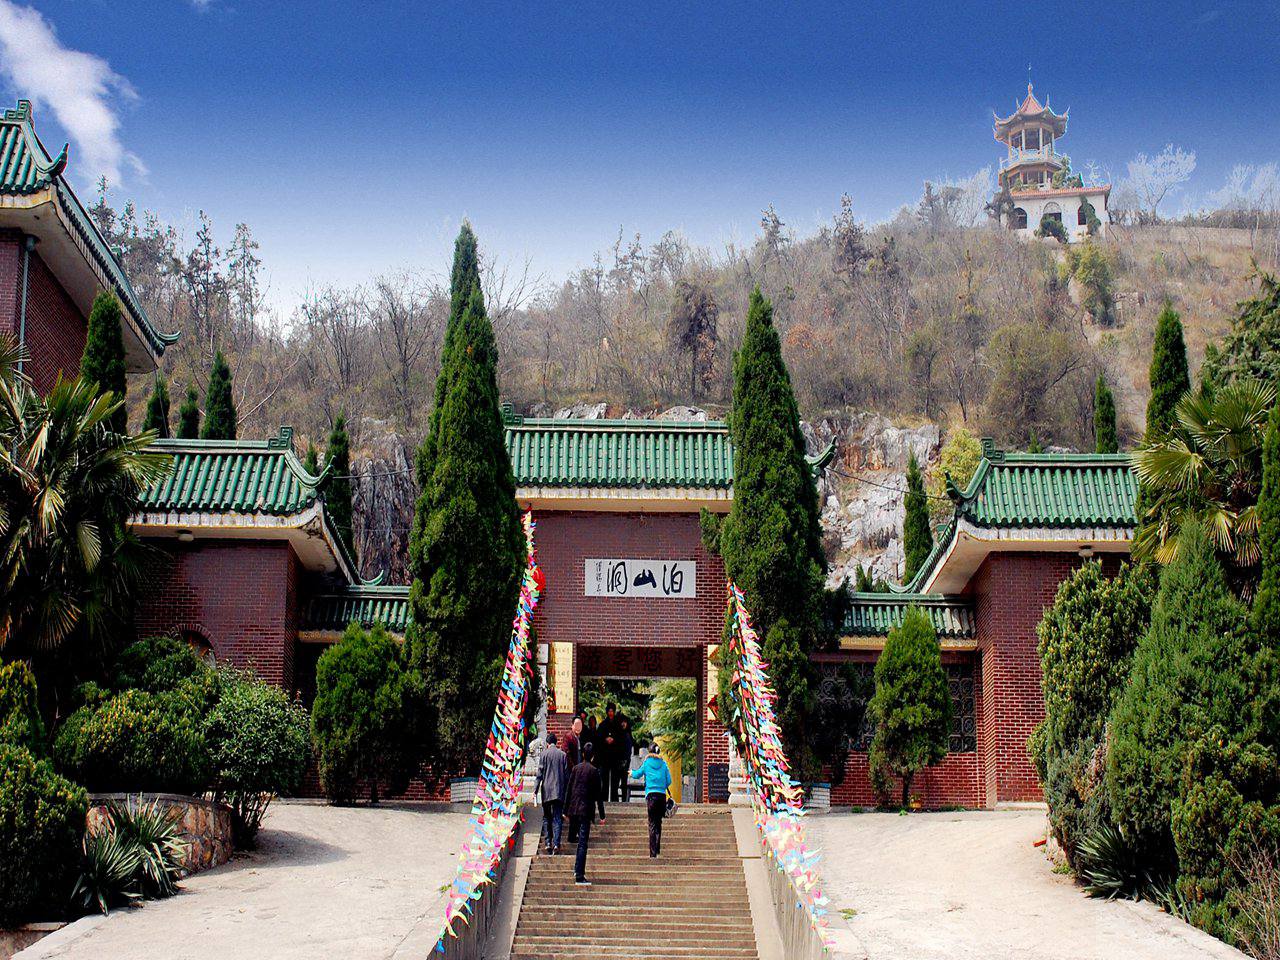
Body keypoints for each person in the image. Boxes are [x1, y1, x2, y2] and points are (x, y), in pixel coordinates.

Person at [564, 741, 606, 885]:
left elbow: (569, 789)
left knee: (575, 840)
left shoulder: (575, 769)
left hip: (574, 809)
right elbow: (598, 795)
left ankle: (577, 869)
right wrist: (602, 815)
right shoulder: (594, 771)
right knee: (582, 843)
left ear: (583, 754)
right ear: (593, 756)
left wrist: (565, 811)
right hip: (585, 811)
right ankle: (579, 875)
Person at [630, 742, 673, 857]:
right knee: (659, 822)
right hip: (661, 796)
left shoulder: (647, 763)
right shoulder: (663, 764)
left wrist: (631, 773)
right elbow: (669, 781)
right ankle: (657, 848)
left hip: (651, 796)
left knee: (652, 823)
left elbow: (638, 774)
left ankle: (653, 853)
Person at [534, 731, 567, 855]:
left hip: (546, 791)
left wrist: (535, 790)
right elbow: (565, 775)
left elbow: (539, 774)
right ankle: (557, 844)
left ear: (548, 743)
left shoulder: (544, 755)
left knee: (547, 817)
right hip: (559, 791)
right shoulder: (562, 755)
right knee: (557, 818)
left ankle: (548, 842)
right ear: (556, 742)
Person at [595, 703, 620, 801]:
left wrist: (614, 740)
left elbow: (621, 738)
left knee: (615, 779)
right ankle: (604, 798)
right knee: (604, 779)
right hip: (604, 755)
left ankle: (614, 799)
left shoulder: (617, 725)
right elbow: (598, 739)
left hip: (615, 755)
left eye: (612, 711)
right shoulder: (602, 725)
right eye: (609, 711)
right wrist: (605, 739)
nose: (610, 713)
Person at [616, 716, 634, 802]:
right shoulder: (618, 734)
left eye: (625, 722)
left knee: (624, 783)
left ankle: (624, 800)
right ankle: (616, 800)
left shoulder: (628, 734)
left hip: (625, 762)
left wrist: (626, 761)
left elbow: (629, 750)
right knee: (616, 783)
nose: (623, 724)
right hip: (617, 761)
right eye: (622, 722)